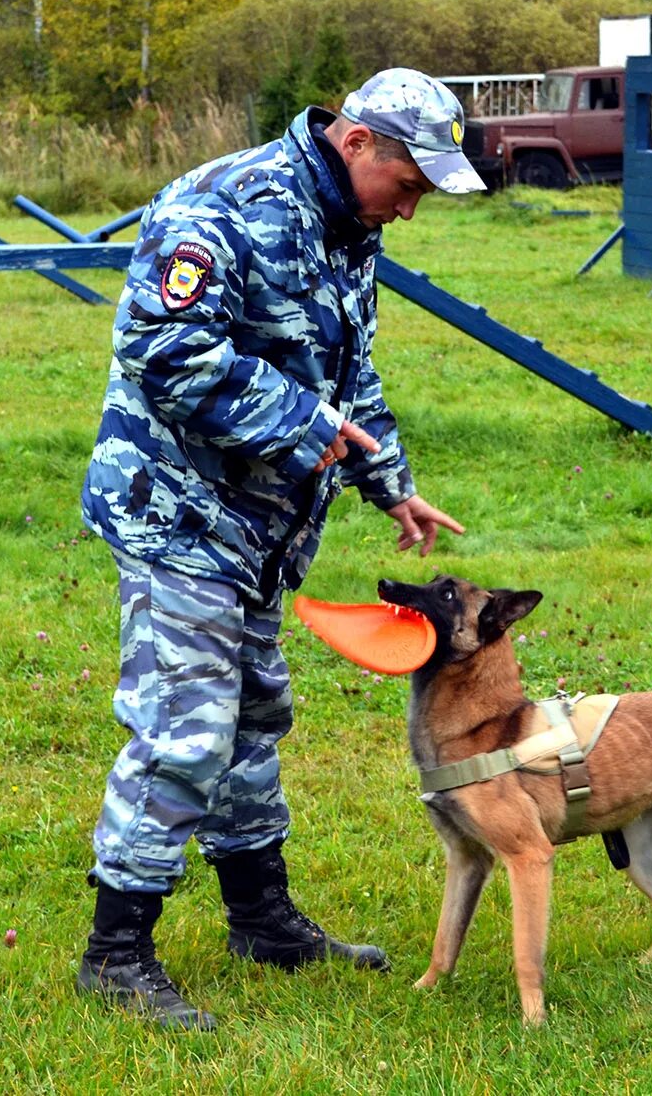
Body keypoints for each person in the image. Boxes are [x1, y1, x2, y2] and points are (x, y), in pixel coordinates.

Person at [75, 68, 481, 1030]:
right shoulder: (225, 206)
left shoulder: (350, 228)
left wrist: (392, 482)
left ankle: (261, 921)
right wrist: (305, 426)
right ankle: (115, 952)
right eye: (409, 186)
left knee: (255, 714)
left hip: (261, 528)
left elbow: (347, 369)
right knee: (187, 728)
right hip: (179, 513)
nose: (411, 210)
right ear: (357, 144)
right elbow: (163, 350)